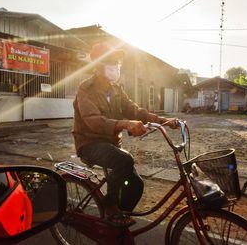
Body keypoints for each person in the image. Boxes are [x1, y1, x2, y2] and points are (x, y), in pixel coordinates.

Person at [72, 43, 178, 226]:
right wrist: (125, 124)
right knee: (124, 160)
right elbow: (93, 120)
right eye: (110, 62)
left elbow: (134, 110)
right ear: (98, 66)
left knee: (136, 186)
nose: (115, 66)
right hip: (89, 144)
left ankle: (116, 223)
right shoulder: (85, 89)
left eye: (116, 62)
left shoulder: (116, 89)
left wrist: (163, 120)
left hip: (111, 145)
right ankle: (109, 206)